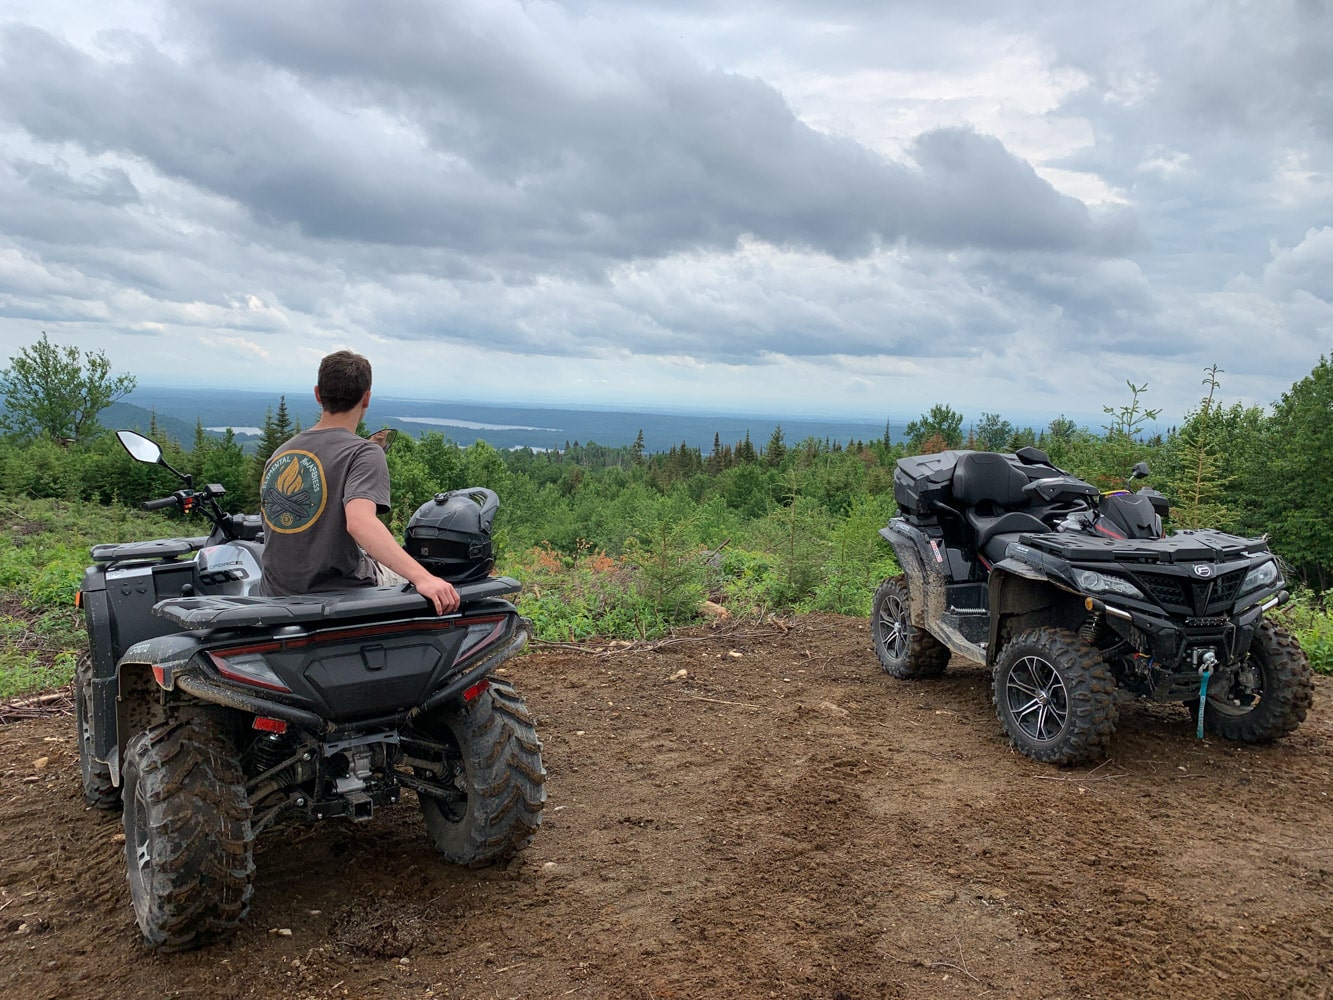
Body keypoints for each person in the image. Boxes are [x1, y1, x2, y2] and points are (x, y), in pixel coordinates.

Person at [258, 350, 459, 615]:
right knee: (442, 583)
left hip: (275, 593)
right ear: (366, 399)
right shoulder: (363, 451)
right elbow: (360, 522)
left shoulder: (280, 453)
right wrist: (424, 578)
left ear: (318, 394)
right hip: (337, 590)